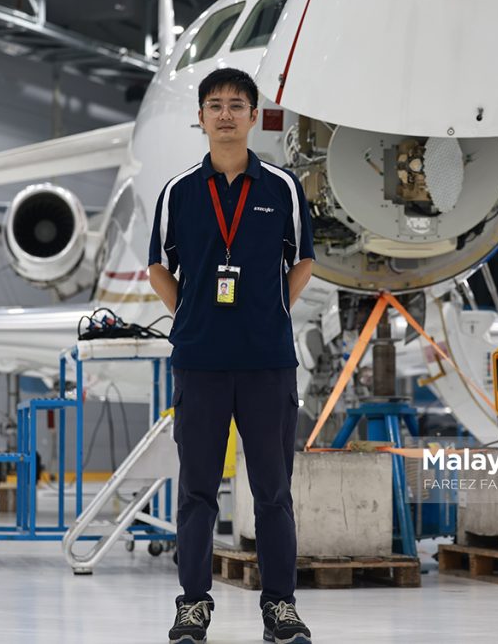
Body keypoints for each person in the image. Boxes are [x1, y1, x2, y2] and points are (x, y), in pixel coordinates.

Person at [148, 67, 315, 644]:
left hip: (267, 362)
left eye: (236, 104)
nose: (225, 114)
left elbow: (303, 262)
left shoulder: (282, 189)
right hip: (200, 361)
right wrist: (191, 315)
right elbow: (158, 269)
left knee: (273, 491)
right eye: (214, 104)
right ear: (200, 117)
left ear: (252, 116)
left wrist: (272, 313)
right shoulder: (179, 192)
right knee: (196, 490)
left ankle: (281, 608)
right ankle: (193, 603)